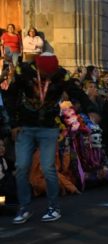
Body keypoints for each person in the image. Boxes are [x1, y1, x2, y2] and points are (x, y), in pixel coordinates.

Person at [6, 53, 69, 224]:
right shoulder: (24, 71)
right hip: (25, 127)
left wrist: (90, 107)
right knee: (21, 167)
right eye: (45, 72)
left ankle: (54, 207)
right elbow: (10, 95)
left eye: (51, 73)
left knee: (48, 167)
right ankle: (24, 208)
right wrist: (14, 123)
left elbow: (76, 91)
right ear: (38, 67)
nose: (48, 76)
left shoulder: (62, 75)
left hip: (49, 128)